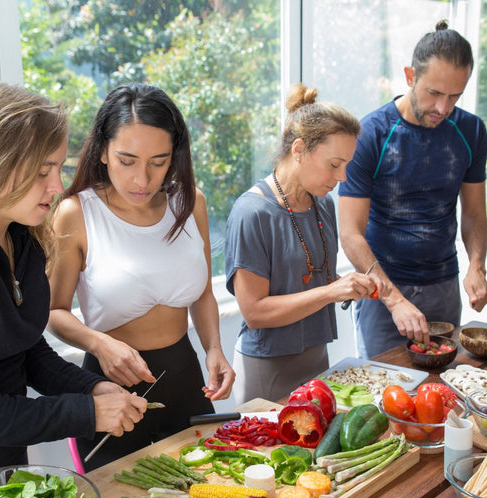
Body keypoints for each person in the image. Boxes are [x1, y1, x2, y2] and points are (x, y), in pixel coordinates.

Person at [0, 82, 147, 482]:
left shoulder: (20, 233)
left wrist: (91, 389)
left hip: (2, 461)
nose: (57, 186)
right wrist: (85, 414)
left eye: (58, 168)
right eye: (44, 171)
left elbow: (24, 349)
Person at [47, 82, 235, 471]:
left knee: (207, 492)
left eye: (159, 161)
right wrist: (100, 345)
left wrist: (214, 347)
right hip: (109, 385)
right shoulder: (75, 213)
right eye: (127, 160)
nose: (142, 180)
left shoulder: (189, 202)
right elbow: (53, 312)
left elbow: (200, 293)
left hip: (185, 375)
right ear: (102, 151)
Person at [224, 83, 383, 405]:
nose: (343, 177)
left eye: (347, 165)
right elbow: (254, 312)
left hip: (316, 358)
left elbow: (309, 276)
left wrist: (347, 285)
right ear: (299, 149)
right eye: (335, 164)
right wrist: (332, 291)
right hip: (266, 367)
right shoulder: (252, 212)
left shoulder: (322, 203)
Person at [338, 20, 487, 359]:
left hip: (443, 287)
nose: (443, 108)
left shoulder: (471, 131)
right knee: (383, 392)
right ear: (410, 76)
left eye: (454, 96)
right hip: (383, 289)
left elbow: (476, 213)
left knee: (441, 392)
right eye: (434, 93)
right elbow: (349, 233)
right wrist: (393, 299)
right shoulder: (370, 134)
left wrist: (476, 264)